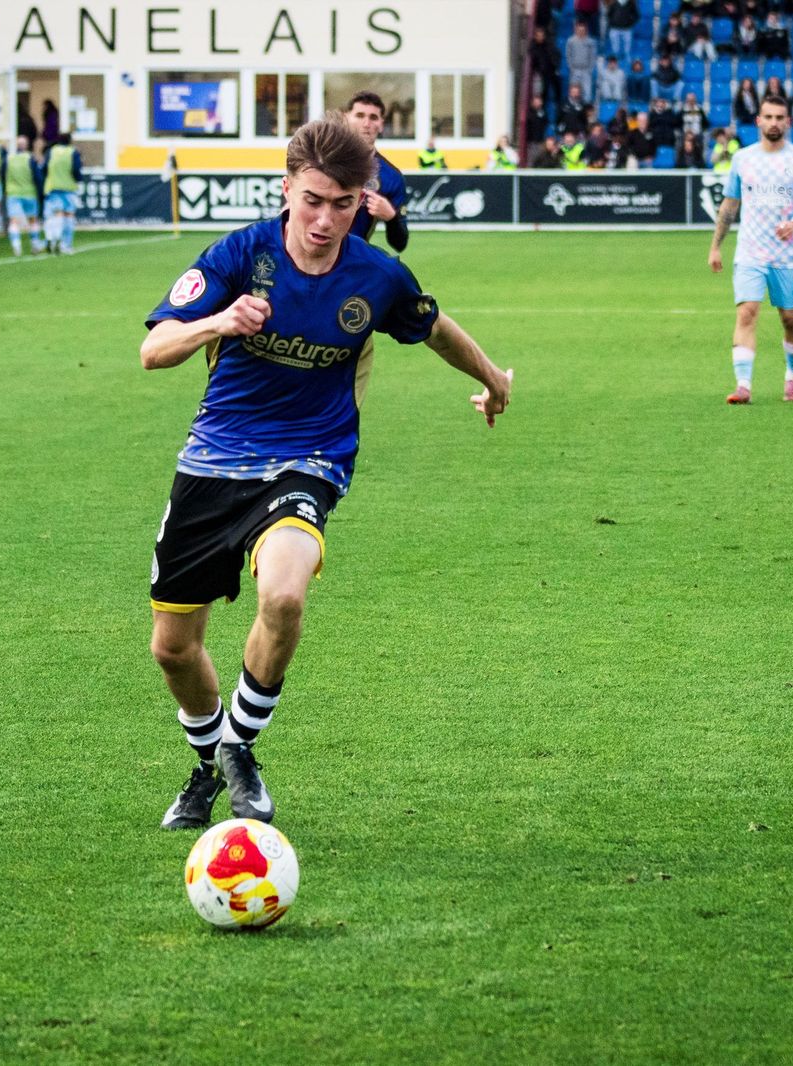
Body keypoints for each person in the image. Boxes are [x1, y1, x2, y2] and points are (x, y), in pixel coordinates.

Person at [139, 114, 512, 829]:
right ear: (287, 188)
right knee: (172, 649)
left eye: (344, 205)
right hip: (214, 462)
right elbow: (155, 350)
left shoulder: (375, 275)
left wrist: (494, 379)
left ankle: (239, 750)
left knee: (283, 596)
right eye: (312, 200)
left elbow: (432, 327)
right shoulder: (238, 256)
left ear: (360, 201)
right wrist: (219, 323)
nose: (325, 219)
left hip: (309, 460)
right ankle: (208, 764)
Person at [709, 95, 793, 405]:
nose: (774, 122)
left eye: (779, 117)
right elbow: (730, 203)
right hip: (750, 252)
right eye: (768, 117)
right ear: (758, 121)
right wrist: (715, 247)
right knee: (747, 313)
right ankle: (743, 386)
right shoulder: (742, 159)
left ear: (788, 121)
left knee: (790, 319)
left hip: (787, 256)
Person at [344, 92, 410, 253]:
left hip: (352, 261)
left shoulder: (391, 176)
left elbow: (400, 243)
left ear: (381, 124)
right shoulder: (321, 159)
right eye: (359, 115)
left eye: (373, 117)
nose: (366, 123)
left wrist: (391, 218)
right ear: (345, 118)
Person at [41, 131, 83, 255]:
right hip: (69, 188)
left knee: (55, 215)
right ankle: (66, 244)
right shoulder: (72, 152)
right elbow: (76, 169)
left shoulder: (51, 151)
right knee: (68, 216)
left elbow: (44, 168)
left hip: (52, 187)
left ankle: (52, 239)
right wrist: (78, 179)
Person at [2, 134, 44, 255]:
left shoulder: (8, 158)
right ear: (26, 145)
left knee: (14, 221)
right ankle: (35, 243)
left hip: (13, 193)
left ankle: (16, 245)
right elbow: (37, 177)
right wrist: (40, 192)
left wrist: (5, 190)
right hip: (29, 193)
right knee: (32, 219)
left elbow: (3, 175)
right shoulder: (30, 158)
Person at [566, 22, 599, 100]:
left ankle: (586, 108)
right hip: (575, 70)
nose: (581, 31)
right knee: (573, 90)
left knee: (587, 92)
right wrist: (571, 67)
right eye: (579, 30)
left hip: (586, 70)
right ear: (576, 30)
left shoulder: (590, 42)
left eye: (583, 30)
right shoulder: (571, 41)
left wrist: (590, 69)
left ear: (586, 31)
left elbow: (593, 56)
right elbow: (568, 55)